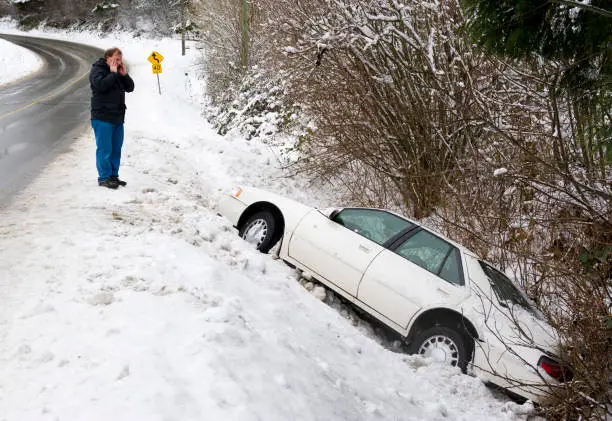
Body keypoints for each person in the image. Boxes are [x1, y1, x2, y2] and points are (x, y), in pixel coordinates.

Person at [90, 47, 135, 189]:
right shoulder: (98, 70)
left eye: (119, 59)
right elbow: (101, 86)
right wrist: (113, 73)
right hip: (102, 116)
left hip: (117, 117)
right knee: (105, 149)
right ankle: (104, 178)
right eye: (115, 59)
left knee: (116, 149)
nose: (118, 62)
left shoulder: (118, 72)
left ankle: (113, 176)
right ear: (107, 58)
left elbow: (130, 88)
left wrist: (124, 75)